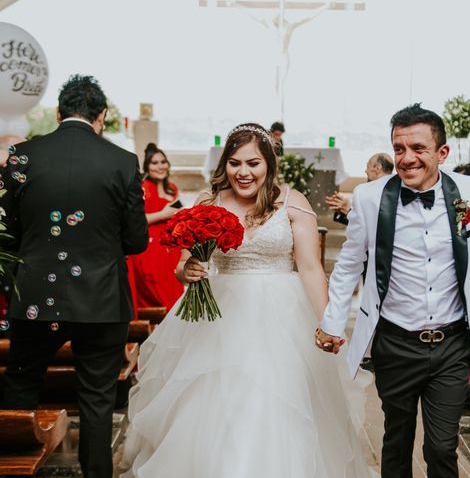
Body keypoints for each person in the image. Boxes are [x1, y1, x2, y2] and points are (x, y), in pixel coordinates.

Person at [121, 123, 373, 477]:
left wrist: (327, 323)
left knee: (278, 403)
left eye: (253, 163)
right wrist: (188, 269)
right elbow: (183, 265)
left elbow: (311, 270)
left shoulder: (292, 202)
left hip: (283, 320)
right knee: (213, 407)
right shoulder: (208, 202)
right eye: (235, 163)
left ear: (269, 163)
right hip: (219, 321)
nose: (243, 172)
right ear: (225, 164)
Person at [317, 104, 470, 478]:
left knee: (441, 447)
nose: (407, 158)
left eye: (418, 148)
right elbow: (349, 265)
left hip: (451, 344)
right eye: (399, 148)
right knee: (397, 440)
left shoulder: (468, 192)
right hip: (394, 341)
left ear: (442, 153)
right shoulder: (371, 198)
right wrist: (333, 322)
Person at [1, 74, 148, 478]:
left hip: (33, 295)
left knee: (20, 384)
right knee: (98, 400)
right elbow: (137, 241)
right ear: (100, 116)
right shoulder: (121, 161)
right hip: (101, 301)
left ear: (57, 112)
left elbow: (7, 233)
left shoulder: (21, 157)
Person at [128, 143, 184, 311]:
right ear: (147, 167)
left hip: (171, 247)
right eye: (154, 163)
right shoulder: (142, 188)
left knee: (174, 290)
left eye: (163, 162)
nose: (160, 166)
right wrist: (162, 214)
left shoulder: (172, 188)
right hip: (149, 247)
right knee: (156, 293)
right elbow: (132, 219)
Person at [326, 152, 393, 225]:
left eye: (368, 166)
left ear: (377, 168)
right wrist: (343, 211)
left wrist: (348, 211)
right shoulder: (371, 189)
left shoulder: (388, 194)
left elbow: (373, 226)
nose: (365, 171)